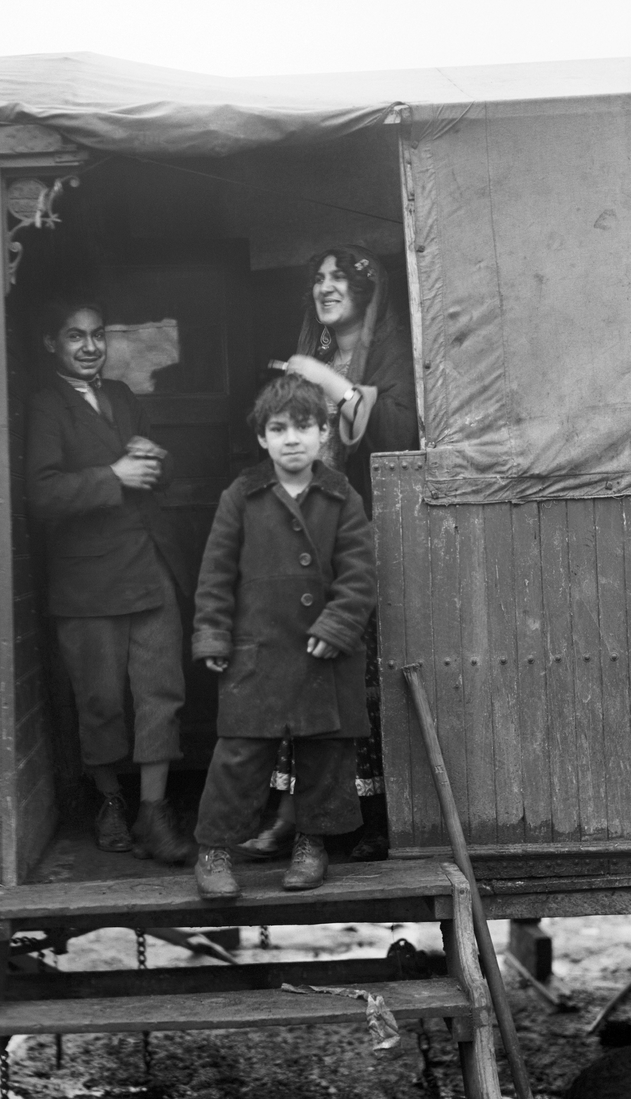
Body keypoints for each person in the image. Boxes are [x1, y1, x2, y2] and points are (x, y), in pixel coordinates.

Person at [239, 245, 418, 863]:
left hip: (370, 533)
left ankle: (374, 817)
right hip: (306, 532)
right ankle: (295, 813)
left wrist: (330, 384)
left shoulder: (389, 353)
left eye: (340, 277)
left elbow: (399, 431)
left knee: (361, 679)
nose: (326, 286)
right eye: (318, 278)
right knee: (298, 668)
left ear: (367, 291)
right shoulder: (306, 356)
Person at [192, 375, 376, 900]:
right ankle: (214, 851)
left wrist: (338, 625)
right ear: (262, 439)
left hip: (324, 655)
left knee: (324, 754)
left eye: (303, 427)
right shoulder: (242, 497)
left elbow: (360, 575)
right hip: (259, 653)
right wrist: (213, 636)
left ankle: (310, 844)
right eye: (278, 429)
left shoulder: (342, 498)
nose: (291, 439)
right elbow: (216, 573)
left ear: (324, 434)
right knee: (240, 755)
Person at [26, 294, 194, 865]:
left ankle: (153, 810)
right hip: (86, 580)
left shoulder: (122, 396)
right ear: (53, 344)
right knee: (98, 700)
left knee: (160, 694)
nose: (90, 346)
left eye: (97, 335)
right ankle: (109, 801)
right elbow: (42, 494)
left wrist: (157, 458)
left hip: (147, 567)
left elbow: (158, 472)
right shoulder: (46, 407)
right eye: (75, 336)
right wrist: (113, 474)